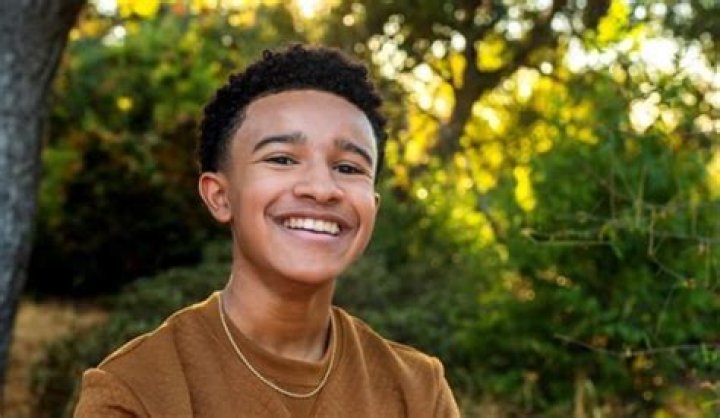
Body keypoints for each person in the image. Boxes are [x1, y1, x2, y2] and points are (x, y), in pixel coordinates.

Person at [74, 43, 460, 417]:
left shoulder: (417, 391)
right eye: (282, 159)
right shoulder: (138, 391)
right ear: (220, 196)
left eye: (348, 167)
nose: (321, 189)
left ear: (372, 206)